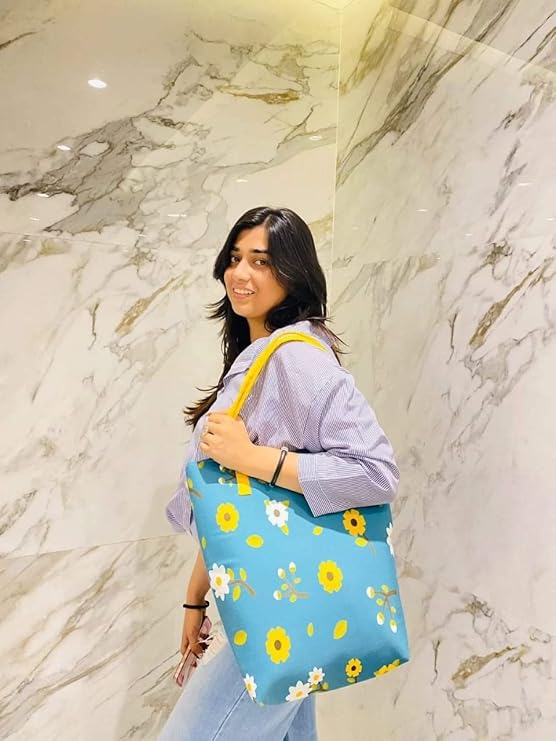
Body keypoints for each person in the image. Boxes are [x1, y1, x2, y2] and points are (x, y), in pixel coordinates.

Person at [160, 206, 399, 740]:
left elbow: (376, 472)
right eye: (234, 258)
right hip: (270, 603)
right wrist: (197, 595)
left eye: (261, 261)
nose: (240, 274)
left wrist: (252, 457)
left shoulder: (297, 359)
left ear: (293, 273)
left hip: (281, 611)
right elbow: (234, 500)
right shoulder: (258, 357)